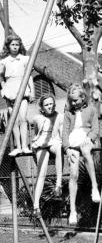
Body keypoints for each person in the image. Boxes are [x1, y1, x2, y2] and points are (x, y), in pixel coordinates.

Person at [62, 83, 101, 225]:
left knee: (86, 151)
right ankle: (72, 210)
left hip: (85, 137)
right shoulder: (68, 113)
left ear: (83, 98)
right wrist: (66, 149)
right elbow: (65, 132)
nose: (74, 103)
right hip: (73, 140)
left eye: (76, 100)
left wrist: (89, 139)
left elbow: (95, 129)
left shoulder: (91, 110)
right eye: (71, 100)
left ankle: (94, 187)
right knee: (73, 173)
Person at [0, 35, 35, 156]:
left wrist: (32, 91)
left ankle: (25, 146)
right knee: (13, 120)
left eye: (17, 45)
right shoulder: (4, 61)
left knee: (23, 118)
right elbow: (1, 77)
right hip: (10, 89)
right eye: (12, 45)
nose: (15, 47)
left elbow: (29, 75)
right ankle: (18, 147)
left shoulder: (25, 59)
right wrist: (4, 88)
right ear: (8, 46)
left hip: (22, 87)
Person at [31, 94, 63, 218]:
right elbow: (36, 133)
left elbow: (60, 133)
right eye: (47, 105)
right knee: (41, 173)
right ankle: (36, 206)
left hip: (53, 141)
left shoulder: (59, 116)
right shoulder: (37, 118)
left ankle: (58, 185)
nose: (50, 106)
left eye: (51, 103)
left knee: (59, 148)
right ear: (42, 107)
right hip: (41, 144)